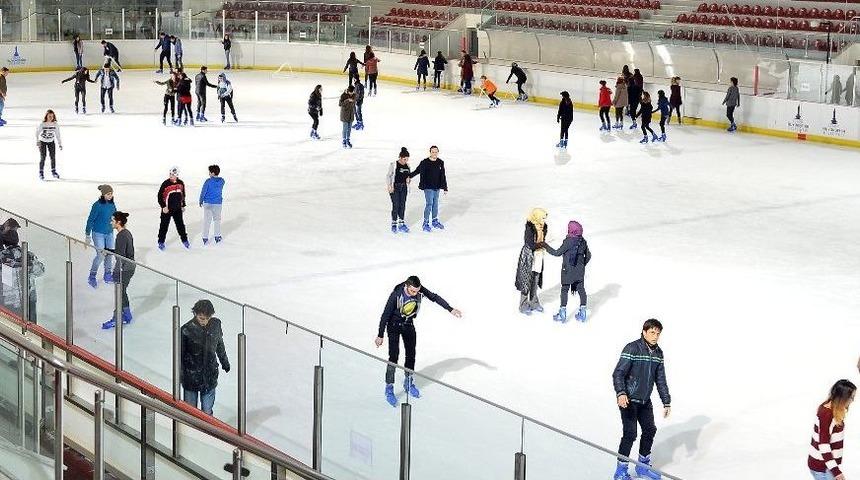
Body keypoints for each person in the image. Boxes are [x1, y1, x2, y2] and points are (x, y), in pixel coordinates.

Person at [375, 275, 462, 406]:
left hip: (408, 324)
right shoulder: (396, 295)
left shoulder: (419, 290)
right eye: (412, 291)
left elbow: (434, 297)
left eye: (417, 291)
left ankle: (408, 381)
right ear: (406, 286)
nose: (415, 293)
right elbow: (385, 315)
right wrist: (380, 335)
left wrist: (450, 309)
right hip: (393, 326)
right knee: (393, 356)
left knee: (411, 355)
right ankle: (389, 387)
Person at [612, 319, 671, 480]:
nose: (655, 336)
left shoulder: (658, 353)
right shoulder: (632, 348)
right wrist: (621, 393)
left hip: (645, 401)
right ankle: (621, 471)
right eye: (652, 332)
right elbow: (618, 373)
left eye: (658, 333)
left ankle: (643, 467)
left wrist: (666, 401)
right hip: (629, 400)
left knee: (650, 430)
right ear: (644, 332)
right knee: (630, 434)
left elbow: (660, 379)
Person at [181, 299, 231, 416]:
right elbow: (180, 355)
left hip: (209, 377)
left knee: (207, 413)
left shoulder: (215, 326)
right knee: (189, 412)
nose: (204, 321)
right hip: (191, 377)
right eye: (201, 318)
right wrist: (181, 375)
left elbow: (219, 345)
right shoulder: (186, 330)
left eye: (207, 318)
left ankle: (206, 434)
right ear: (195, 314)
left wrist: (225, 362)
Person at [542, 220, 591, 323]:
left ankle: (562, 313)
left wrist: (545, 246)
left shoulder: (568, 241)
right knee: (581, 290)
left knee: (564, 290)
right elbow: (589, 256)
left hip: (567, 271)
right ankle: (582, 313)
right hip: (579, 272)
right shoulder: (583, 241)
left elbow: (557, 253)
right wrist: (582, 265)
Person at [809, 379, 856, 480]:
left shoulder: (835, 410)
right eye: (851, 397)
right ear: (842, 397)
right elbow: (823, 445)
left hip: (828, 466)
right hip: (822, 467)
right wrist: (836, 472)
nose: (852, 400)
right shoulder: (827, 414)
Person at [101, 211, 135, 329]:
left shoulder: (121, 235)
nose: (111, 222)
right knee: (122, 291)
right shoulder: (126, 233)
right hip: (129, 267)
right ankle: (127, 315)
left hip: (124, 269)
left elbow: (120, 257)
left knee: (119, 292)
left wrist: (115, 273)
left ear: (118, 222)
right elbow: (122, 251)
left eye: (112, 220)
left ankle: (117, 318)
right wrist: (110, 250)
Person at [515, 208, 547, 315]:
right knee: (526, 281)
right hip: (528, 256)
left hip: (538, 256)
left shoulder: (544, 227)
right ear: (536, 217)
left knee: (535, 279)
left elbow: (543, 240)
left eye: (544, 218)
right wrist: (542, 244)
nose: (544, 221)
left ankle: (534, 302)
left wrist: (543, 244)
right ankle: (523, 305)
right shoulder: (530, 226)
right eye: (542, 218)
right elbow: (530, 243)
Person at [85, 184, 117, 288]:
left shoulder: (112, 204)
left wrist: (118, 226)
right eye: (108, 194)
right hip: (98, 233)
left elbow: (114, 217)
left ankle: (107, 274)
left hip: (109, 233)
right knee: (101, 255)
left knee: (109, 254)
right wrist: (87, 235)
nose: (110, 196)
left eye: (111, 194)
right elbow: (90, 219)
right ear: (103, 194)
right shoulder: (97, 205)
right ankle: (92, 276)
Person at [409, 146, 448, 232]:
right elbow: (417, 171)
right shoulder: (425, 162)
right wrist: (409, 176)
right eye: (433, 152)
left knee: (435, 204)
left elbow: (443, 175)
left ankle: (434, 221)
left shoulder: (440, 162)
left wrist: (445, 187)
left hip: (437, 187)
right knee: (429, 204)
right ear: (430, 152)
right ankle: (425, 223)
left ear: (438, 152)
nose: (434, 153)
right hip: (428, 187)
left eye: (436, 152)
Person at [157, 167, 189, 250]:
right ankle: (161, 241)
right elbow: (160, 196)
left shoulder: (181, 183)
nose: (171, 176)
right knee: (164, 226)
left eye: (173, 174)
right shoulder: (166, 184)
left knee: (180, 225)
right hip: (167, 209)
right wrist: (163, 206)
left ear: (177, 175)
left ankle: (185, 240)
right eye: (170, 174)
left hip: (177, 209)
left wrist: (183, 205)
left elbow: (183, 195)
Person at [387, 147, 412, 233]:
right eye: (405, 159)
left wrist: (408, 180)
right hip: (395, 187)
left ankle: (401, 222)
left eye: (407, 159)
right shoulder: (394, 164)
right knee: (396, 205)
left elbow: (408, 176)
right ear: (400, 157)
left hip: (404, 187)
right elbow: (389, 175)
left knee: (402, 205)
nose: (406, 161)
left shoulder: (407, 166)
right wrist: (389, 186)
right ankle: (394, 223)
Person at [199, 165, 225, 245]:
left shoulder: (208, 181)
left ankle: (205, 237)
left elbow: (203, 191)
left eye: (210, 172)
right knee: (217, 220)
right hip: (218, 204)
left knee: (207, 221)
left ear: (213, 173)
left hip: (208, 203)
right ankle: (217, 236)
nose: (209, 173)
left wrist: (200, 200)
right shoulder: (222, 181)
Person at [35, 109, 62, 180]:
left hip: (51, 141)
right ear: (46, 116)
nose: (51, 118)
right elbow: (37, 133)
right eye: (49, 116)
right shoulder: (42, 124)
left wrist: (59, 143)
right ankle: (41, 172)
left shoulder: (55, 124)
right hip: (42, 141)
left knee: (53, 157)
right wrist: (37, 141)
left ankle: (54, 171)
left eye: (52, 116)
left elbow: (58, 134)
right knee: (43, 157)